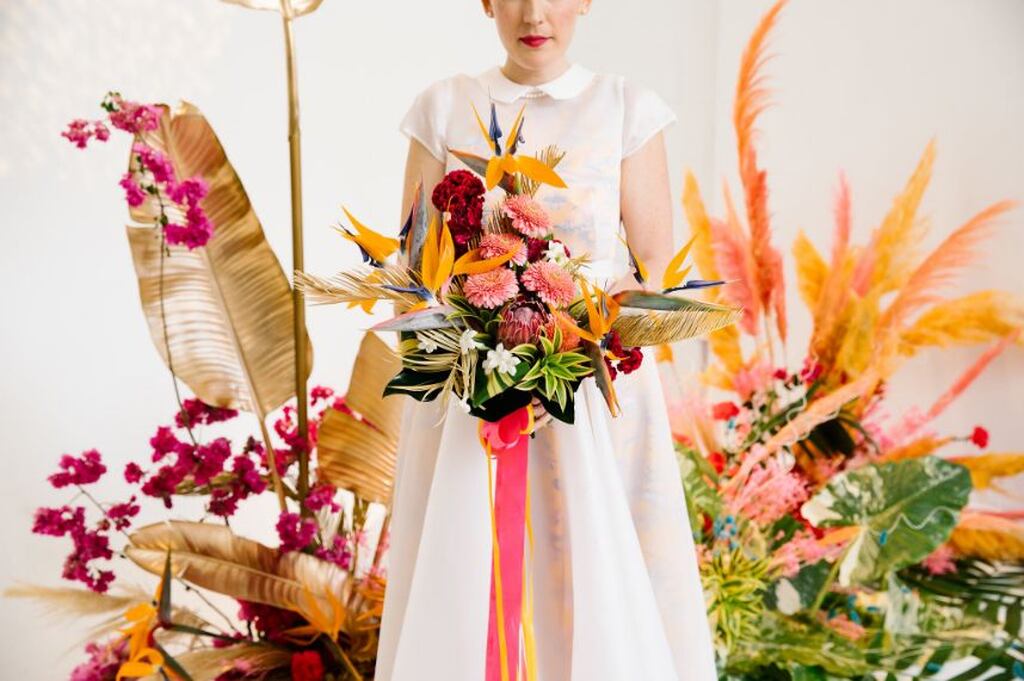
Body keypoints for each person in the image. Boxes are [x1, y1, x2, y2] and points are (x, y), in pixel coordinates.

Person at [375, 1, 717, 679]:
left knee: (595, 563)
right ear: (487, 3)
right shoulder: (444, 106)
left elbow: (655, 275)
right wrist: (487, 336)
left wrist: (558, 340)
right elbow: (416, 265)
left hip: (590, 387)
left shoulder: (626, 107)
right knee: (469, 561)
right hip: (476, 389)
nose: (535, 14)